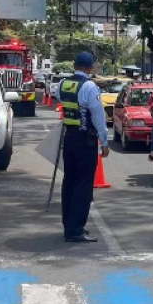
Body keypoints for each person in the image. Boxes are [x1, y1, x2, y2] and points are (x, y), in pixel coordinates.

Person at [58, 52, 109, 243]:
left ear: (74, 65)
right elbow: (98, 116)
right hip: (86, 140)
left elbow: (61, 103)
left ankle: (68, 224)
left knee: (69, 181)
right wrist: (104, 141)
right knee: (83, 184)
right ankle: (75, 229)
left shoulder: (63, 84)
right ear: (90, 67)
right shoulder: (89, 87)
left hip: (69, 137)